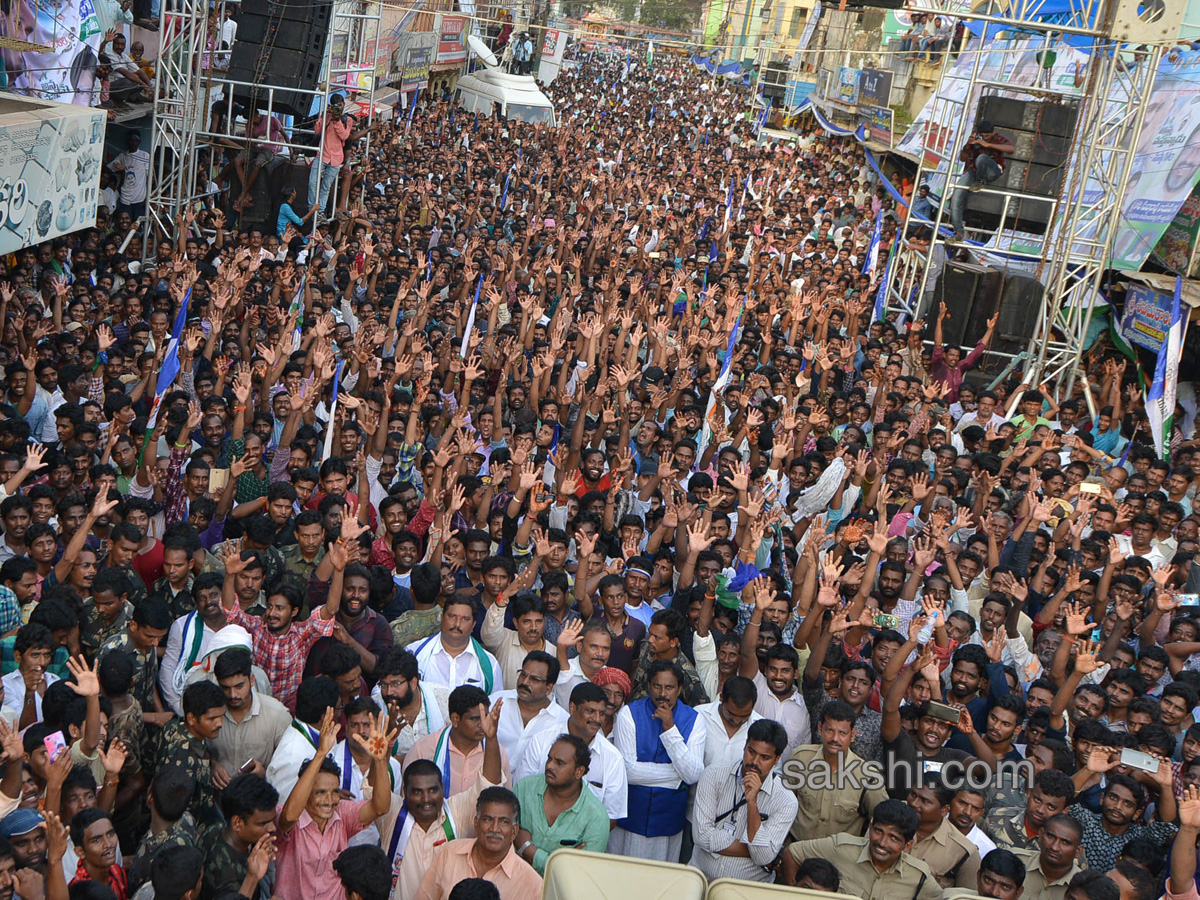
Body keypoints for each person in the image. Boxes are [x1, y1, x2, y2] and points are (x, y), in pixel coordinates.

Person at [274, 707, 394, 899]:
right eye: (320, 793)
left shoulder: (342, 814)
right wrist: (321, 753)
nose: (329, 801)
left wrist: (379, 762)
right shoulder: (287, 816)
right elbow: (289, 817)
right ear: (305, 793)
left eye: (334, 792)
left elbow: (380, 807)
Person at [610, 660, 706, 862]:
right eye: (657, 686)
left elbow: (693, 775)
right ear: (648, 687)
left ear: (679, 690)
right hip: (630, 819)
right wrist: (675, 778)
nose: (663, 693)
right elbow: (626, 771)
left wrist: (670, 728)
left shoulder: (695, 719)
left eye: (669, 687)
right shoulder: (629, 713)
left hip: (668, 822)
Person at [690, 718, 797, 882]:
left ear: (777, 760)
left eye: (765, 757)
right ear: (745, 745)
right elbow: (701, 836)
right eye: (751, 752)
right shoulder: (713, 775)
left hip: (747, 889)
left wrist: (752, 802)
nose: (754, 762)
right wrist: (750, 848)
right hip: (700, 878)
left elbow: (761, 858)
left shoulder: (786, 801)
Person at [782, 799, 943, 900]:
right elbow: (793, 853)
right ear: (871, 827)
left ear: (907, 845)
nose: (882, 842)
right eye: (878, 831)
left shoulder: (919, 876)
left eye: (894, 838)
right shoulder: (841, 847)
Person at [413, 787, 544, 900]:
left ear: (514, 831)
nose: (494, 828)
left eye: (504, 821)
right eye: (488, 819)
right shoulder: (450, 852)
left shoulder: (532, 884)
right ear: (476, 824)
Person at [512, 733, 609, 874]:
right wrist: (561, 863)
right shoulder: (524, 788)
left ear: (579, 771)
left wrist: (528, 850)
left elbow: (580, 873)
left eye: (559, 762)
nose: (550, 766)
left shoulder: (596, 817)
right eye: (549, 759)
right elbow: (502, 836)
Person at [949, 118, 1015, 238]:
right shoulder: (975, 139)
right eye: (982, 136)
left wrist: (988, 144)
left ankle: (981, 181)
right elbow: (963, 158)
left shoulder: (996, 138)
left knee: (982, 158)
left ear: (992, 133)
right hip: (973, 170)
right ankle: (958, 232)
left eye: (987, 136)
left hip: (993, 171)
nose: (984, 138)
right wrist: (968, 145)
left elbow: (1011, 149)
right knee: (956, 197)